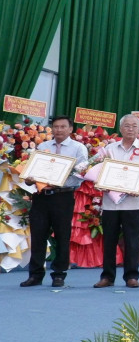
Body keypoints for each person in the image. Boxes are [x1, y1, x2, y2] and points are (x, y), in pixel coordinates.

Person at [20, 115, 88, 288]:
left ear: (70, 129)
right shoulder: (43, 147)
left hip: (62, 196)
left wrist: (60, 179)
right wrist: (29, 178)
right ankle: (35, 275)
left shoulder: (78, 148)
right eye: (56, 127)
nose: (59, 130)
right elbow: (32, 171)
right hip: (41, 196)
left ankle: (59, 274)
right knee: (38, 236)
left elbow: (81, 174)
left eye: (63, 127)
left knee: (62, 236)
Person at [94, 114, 139, 288]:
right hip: (111, 203)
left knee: (132, 241)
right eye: (127, 126)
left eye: (134, 126)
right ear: (120, 129)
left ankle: (131, 276)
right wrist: (103, 183)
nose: (130, 129)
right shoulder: (110, 148)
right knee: (109, 241)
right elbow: (99, 170)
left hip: (134, 202)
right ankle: (107, 277)